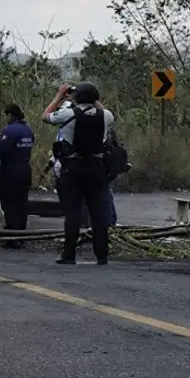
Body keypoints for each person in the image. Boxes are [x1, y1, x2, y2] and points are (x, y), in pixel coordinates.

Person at [42, 82, 113, 265]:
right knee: (98, 212)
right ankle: (102, 255)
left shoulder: (68, 114)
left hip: (73, 167)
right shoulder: (105, 115)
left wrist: (59, 97)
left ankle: (69, 254)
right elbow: (102, 109)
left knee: (72, 212)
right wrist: (93, 99)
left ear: (76, 97)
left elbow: (45, 116)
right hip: (97, 167)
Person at [0, 103, 34, 246]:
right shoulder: (28, 130)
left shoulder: (9, 130)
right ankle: (21, 236)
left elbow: (2, 151)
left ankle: (11, 237)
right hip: (25, 169)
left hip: (10, 171)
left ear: (10, 115)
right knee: (21, 204)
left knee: (9, 204)